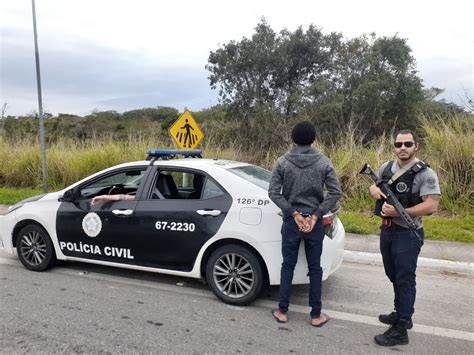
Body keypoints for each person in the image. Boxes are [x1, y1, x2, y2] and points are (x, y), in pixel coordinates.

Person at [369, 129, 440, 347]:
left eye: (407, 144)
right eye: (399, 144)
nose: (403, 148)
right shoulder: (386, 167)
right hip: (388, 230)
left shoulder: (425, 174)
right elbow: (376, 183)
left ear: (416, 146)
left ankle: (401, 328)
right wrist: (373, 188)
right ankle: (401, 313)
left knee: (405, 278)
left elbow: (431, 205)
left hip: (408, 234)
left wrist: (400, 212)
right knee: (393, 274)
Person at [268, 121, 342, 327]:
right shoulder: (324, 162)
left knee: (287, 266)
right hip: (314, 223)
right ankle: (316, 315)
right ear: (313, 139)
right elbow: (336, 192)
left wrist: (293, 213)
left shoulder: (283, 162)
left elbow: (273, 192)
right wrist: (316, 215)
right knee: (315, 268)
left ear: (293, 139)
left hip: (292, 223)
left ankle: (282, 311)